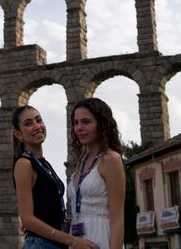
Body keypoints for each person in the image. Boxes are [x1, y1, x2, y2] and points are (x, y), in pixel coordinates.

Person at [12, 105, 99, 249]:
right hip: (40, 244)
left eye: (39, 120)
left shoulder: (44, 164)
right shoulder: (24, 164)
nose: (37, 126)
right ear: (18, 134)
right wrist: (73, 241)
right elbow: (27, 220)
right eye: (28, 124)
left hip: (54, 243)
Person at [67, 98, 125, 249]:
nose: (79, 128)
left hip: (101, 237)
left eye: (86, 122)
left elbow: (117, 218)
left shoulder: (111, 159)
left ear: (102, 124)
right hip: (77, 239)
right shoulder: (81, 161)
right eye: (76, 123)